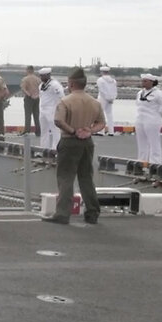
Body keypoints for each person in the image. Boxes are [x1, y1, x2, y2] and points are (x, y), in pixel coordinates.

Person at [43, 68, 106, 225]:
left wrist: (73, 131)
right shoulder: (94, 102)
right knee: (86, 178)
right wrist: (89, 130)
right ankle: (92, 213)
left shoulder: (65, 101)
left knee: (66, 178)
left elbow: (58, 120)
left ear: (71, 84)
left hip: (69, 141)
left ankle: (63, 213)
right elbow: (101, 123)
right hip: (87, 142)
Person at [134, 73, 162, 164]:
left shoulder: (158, 94)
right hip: (140, 119)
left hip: (152, 120)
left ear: (152, 82)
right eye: (142, 81)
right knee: (141, 142)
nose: (143, 82)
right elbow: (138, 105)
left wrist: (159, 113)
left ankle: (155, 162)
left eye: (145, 81)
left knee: (154, 142)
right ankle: (142, 161)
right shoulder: (140, 93)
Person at [37, 68, 65, 151]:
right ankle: (43, 149)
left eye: (43, 76)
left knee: (55, 130)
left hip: (52, 109)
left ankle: (55, 149)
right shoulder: (41, 86)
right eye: (41, 76)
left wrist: (59, 108)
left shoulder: (55, 85)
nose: (41, 78)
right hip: (43, 109)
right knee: (44, 131)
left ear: (48, 75)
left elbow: (61, 96)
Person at [95, 66, 117, 136]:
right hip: (110, 99)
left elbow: (102, 90)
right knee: (109, 115)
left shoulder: (100, 80)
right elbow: (115, 90)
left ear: (102, 72)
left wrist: (106, 97)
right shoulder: (113, 81)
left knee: (100, 115)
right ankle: (111, 131)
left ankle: (100, 131)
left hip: (102, 98)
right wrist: (112, 98)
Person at [20, 66, 41, 136]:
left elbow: (23, 88)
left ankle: (27, 130)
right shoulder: (38, 79)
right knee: (36, 115)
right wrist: (37, 95)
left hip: (29, 98)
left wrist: (29, 94)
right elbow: (41, 89)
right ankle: (38, 131)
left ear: (28, 70)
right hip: (37, 98)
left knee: (28, 115)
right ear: (33, 71)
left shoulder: (25, 79)